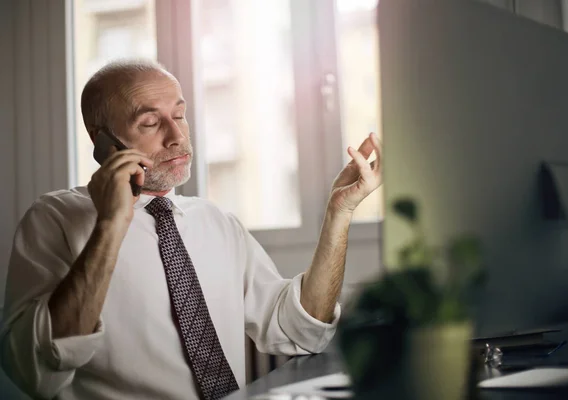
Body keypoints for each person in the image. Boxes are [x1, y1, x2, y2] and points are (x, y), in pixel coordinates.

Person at [0, 59, 382, 400]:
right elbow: (33, 371)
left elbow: (300, 330)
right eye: (150, 122)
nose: (176, 136)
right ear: (101, 140)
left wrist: (339, 212)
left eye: (179, 115)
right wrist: (111, 223)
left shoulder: (216, 222)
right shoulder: (54, 218)